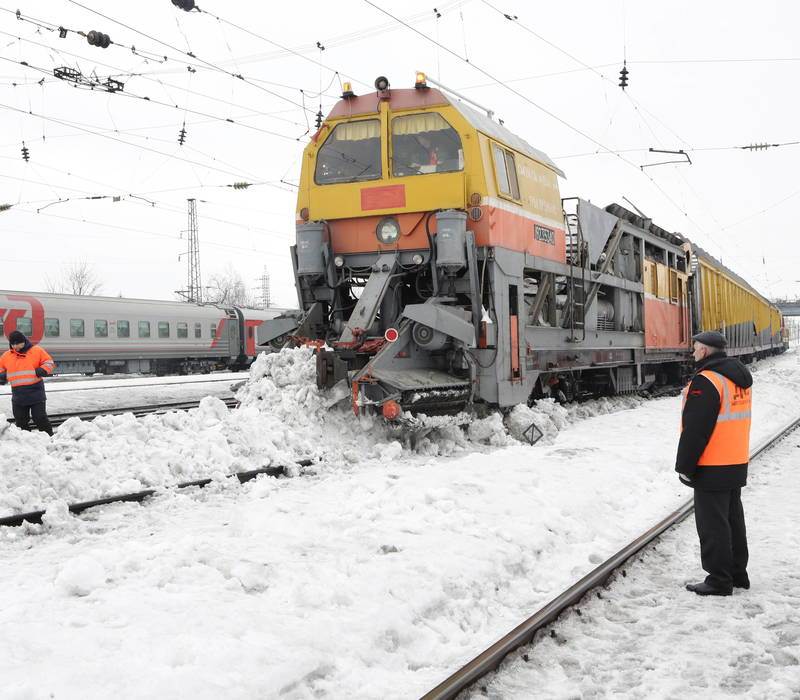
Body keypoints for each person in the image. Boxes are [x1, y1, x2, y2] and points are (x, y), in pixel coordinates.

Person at [676, 330, 752, 596]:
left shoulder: (706, 380)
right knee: (732, 519)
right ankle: (737, 574)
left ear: (705, 351)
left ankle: (719, 580)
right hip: (735, 458)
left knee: (713, 524)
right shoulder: (737, 376)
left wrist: (685, 466)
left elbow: (696, 429)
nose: (693, 352)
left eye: (695, 347)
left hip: (712, 462)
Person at [0, 330, 55, 436]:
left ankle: (49, 438)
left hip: (36, 393)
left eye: (17, 343)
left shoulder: (36, 350)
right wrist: (2, 376)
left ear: (23, 341)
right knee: (20, 422)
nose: (15, 346)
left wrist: (41, 370)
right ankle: (27, 443)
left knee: (40, 418)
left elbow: (49, 362)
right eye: (13, 344)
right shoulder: (7, 356)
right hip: (18, 395)